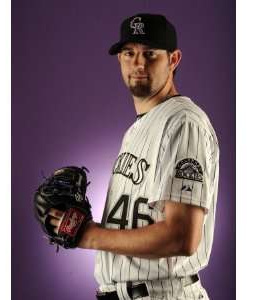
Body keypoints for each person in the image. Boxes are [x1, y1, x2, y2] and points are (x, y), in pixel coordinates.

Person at [51, 13, 219, 300]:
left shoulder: (183, 122)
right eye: (129, 53)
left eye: (150, 54)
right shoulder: (137, 129)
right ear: (119, 60)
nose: (139, 63)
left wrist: (90, 235)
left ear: (173, 59)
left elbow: (182, 236)